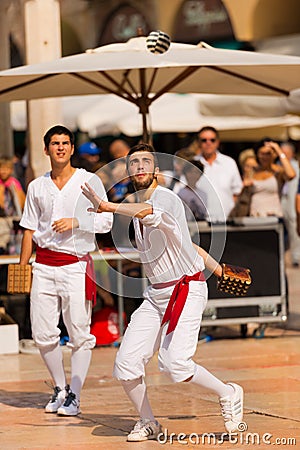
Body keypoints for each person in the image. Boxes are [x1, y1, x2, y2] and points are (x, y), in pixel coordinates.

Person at [82, 143, 244, 442]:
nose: (140, 167)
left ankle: (229, 392)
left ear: (156, 169)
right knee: (126, 363)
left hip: (186, 288)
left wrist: (108, 207)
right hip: (156, 294)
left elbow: (149, 212)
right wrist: (218, 268)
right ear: (128, 171)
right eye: (134, 163)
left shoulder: (166, 198)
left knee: (175, 365)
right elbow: (187, 244)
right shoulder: (137, 203)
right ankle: (148, 421)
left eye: (146, 162)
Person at [18, 125, 113, 416]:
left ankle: (75, 394)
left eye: (65, 143)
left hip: (75, 264)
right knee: (43, 334)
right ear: (46, 149)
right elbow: (28, 229)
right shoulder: (36, 186)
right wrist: (22, 269)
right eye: (55, 143)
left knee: (79, 333)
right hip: (43, 265)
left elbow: (106, 221)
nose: (60, 148)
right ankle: (60, 388)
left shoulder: (88, 181)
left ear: (72, 149)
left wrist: (77, 222)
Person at [195, 126, 243, 222]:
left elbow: (237, 192)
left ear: (217, 142)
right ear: (199, 143)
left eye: (212, 140)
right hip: (201, 222)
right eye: (204, 140)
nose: (208, 143)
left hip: (227, 220)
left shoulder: (229, 163)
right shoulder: (192, 164)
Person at [249, 139, 295, 218]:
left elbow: (291, 174)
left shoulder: (278, 171)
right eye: (262, 153)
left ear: (274, 155)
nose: (265, 157)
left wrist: (279, 151)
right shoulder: (252, 171)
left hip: (273, 217)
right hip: (254, 217)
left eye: (268, 154)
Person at [280, 141, 300, 266]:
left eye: (286, 153)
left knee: (294, 230)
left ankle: (296, 257)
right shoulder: (277, 165)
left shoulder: (295, 166)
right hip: (282, 200)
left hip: (292, 201)